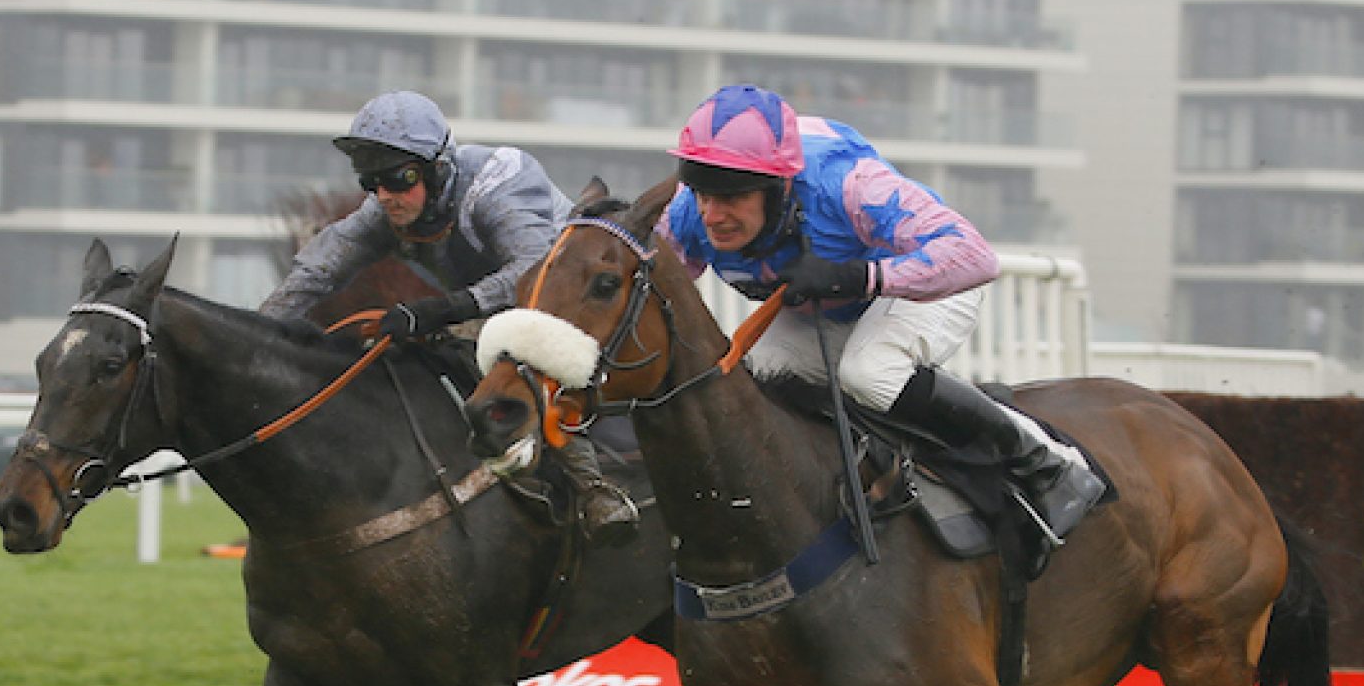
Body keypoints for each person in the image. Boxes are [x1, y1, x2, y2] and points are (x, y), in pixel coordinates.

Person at [659, 84, 1109, 552]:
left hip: (923, 291)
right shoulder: (689, 212)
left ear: (780, 186)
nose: (713, 215)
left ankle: (1045, 462)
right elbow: (652, 285)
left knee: (868, 371)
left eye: (732, 197)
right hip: (829, 307)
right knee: (751, 378)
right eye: (704, 195)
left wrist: (860, 277)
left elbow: (975, 257)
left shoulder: (851, 185)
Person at [260, 90, 638, 542]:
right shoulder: (383, 212)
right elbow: (315, 272)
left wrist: (438, 310)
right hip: (497, 316)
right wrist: (253, 338)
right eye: (371, 183)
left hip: (574, 308)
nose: (385, 196)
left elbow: (534, 273)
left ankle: (596, 492)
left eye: (399, 179)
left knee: (514, 349)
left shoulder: (497, 186)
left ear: (437, 170)